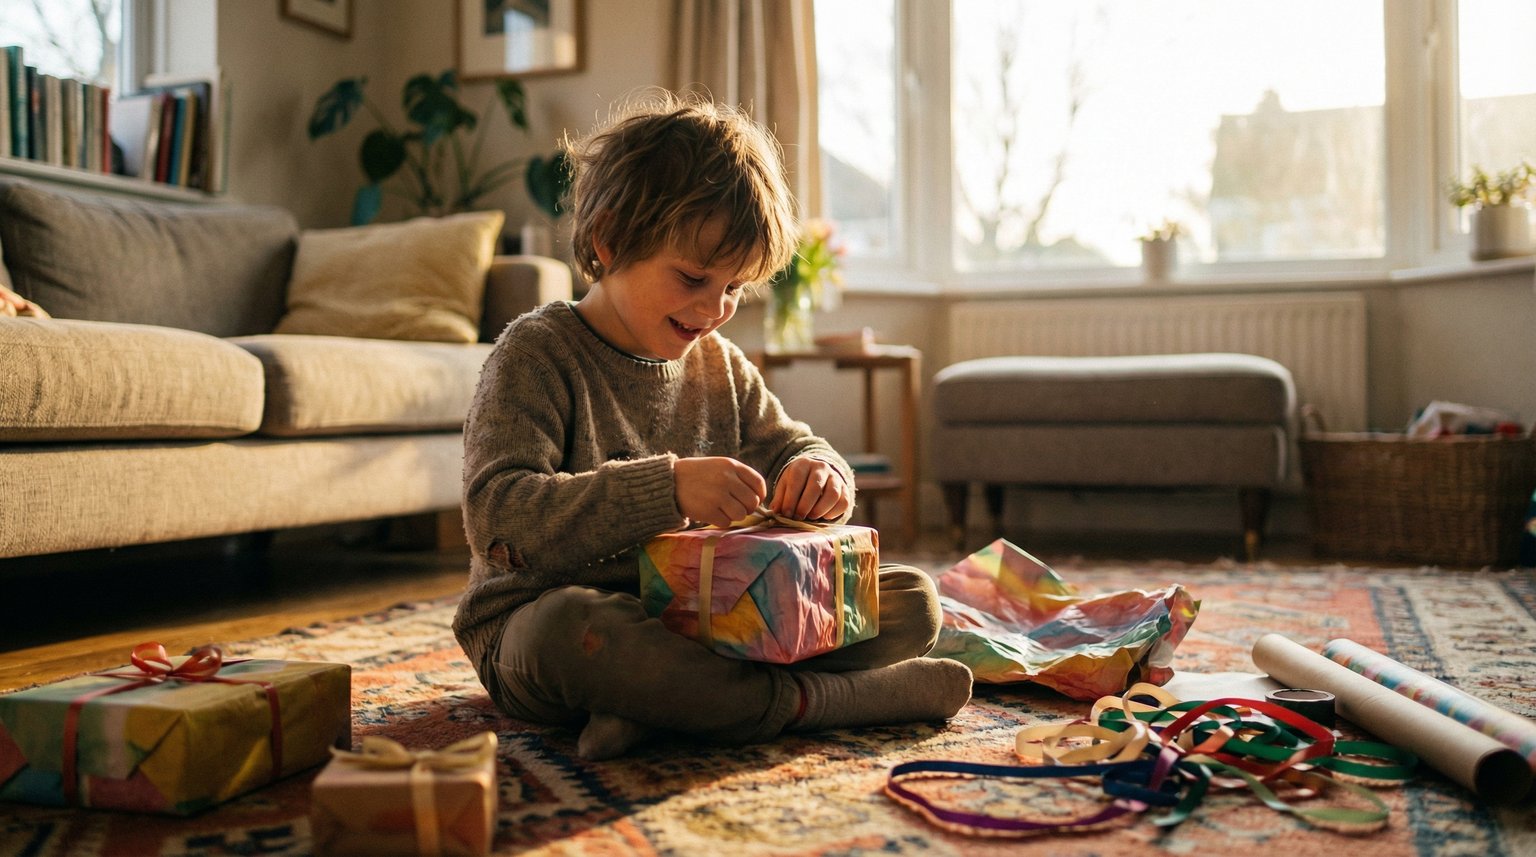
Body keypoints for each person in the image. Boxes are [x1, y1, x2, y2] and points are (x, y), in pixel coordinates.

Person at [451, 92, 972, 760]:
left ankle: (667, 708)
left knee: (908, 602)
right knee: (574, 629)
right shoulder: (534, 353)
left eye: (734, 288)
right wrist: (666, 489)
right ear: (609, 241)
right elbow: (499, 518)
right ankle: (820, 703)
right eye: (694, 277)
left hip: (706, 619)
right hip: (541, 628)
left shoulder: (717, 365)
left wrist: (819, 472)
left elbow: (793, 444)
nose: (716, 307)